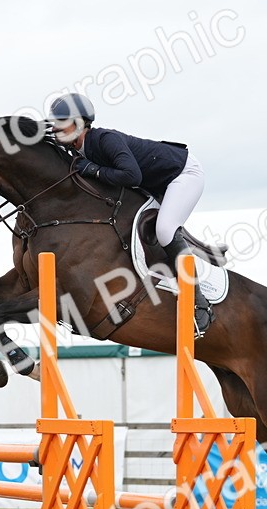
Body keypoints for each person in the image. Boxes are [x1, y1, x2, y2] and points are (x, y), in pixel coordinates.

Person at [48, 92, 214, 335]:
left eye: (62, 122)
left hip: (182, 175)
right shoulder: (76, 151)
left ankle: (199, 302)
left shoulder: (105, 139)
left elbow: (131, 176)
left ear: (80, 123)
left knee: (165, 230)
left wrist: (93, 169)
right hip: (156, 184)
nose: (56, 127)